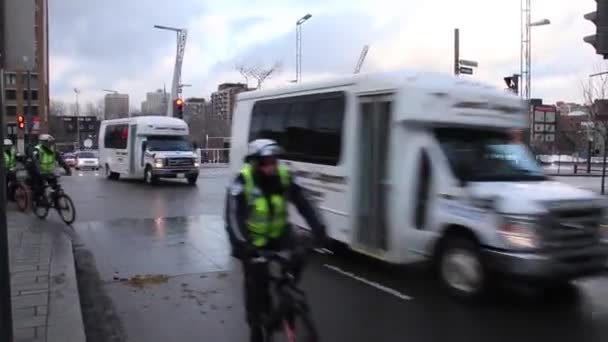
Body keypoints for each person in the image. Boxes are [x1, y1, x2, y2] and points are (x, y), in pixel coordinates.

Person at [225, 139, 327, 342]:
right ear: (255, 163)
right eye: (266, 162)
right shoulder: (242, 181)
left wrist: (319, 231)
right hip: (253, 242)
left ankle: (288, 308)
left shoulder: (284, 176)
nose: (271, 166)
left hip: (281, 236)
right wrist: (243, 246)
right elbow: (232, 216)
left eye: (274, 161)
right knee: (256, 285)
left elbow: (305, 203)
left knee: (294, 265)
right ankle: (256, 325)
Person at [30, 134, 71, 203]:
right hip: (39, 173)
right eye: (48, 142)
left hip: (50, 172)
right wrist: (40, 171)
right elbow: (35, 162)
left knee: (56, 187)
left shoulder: (53, 150)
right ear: (42, 142)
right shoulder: (37, 150)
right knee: (39, 189)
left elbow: (60, 160)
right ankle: (37, 201)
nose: (50, 144)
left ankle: (56, 201)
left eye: (51, 142)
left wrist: (67, 169)